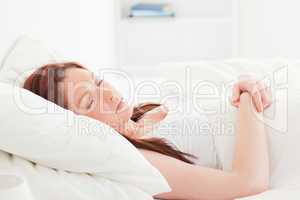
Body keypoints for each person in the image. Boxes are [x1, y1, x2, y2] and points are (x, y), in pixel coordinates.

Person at [23, 62, 272, 200]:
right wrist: (250, 97)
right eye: (89, 101)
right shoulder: (140, 161)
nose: (108, 93)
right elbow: (248, 184)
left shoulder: (141, 112)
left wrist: (246, 85)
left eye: (98, 81)